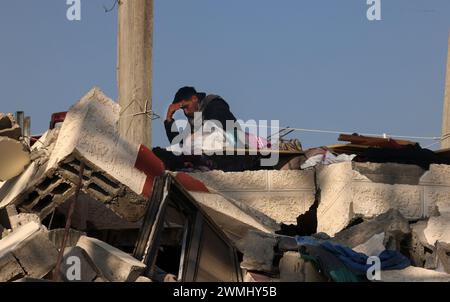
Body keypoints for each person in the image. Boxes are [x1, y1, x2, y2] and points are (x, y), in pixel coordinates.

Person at [164, 86, 238, 144]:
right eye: (183, 109)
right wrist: (169, 120)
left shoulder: (215, 105)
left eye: (186, 107)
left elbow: (212, 132)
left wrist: (190, 139)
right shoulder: (196, 119)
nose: (186, 112)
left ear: (194, 99)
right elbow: (181, 145)